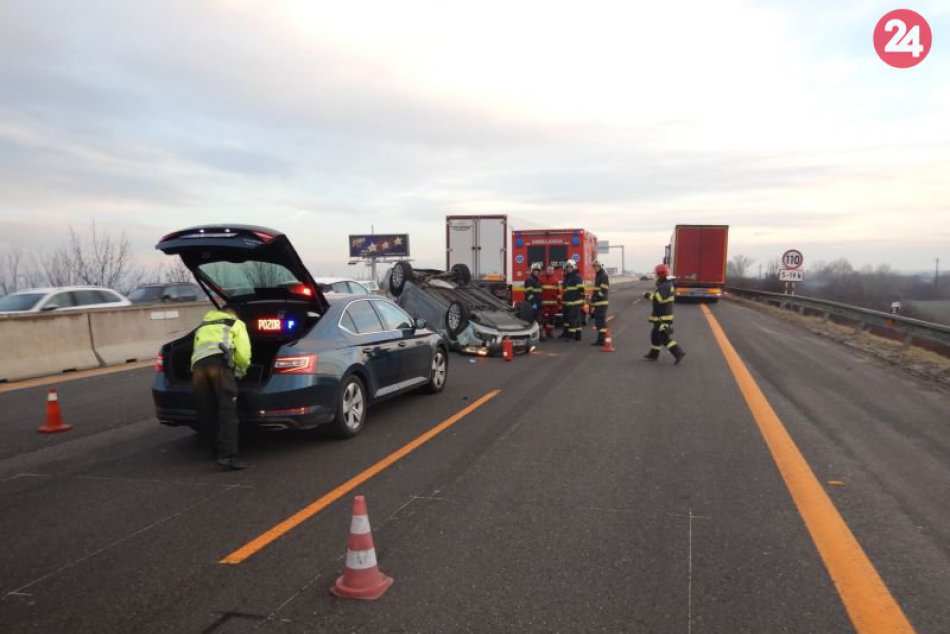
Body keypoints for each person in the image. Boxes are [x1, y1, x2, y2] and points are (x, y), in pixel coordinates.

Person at [191, 305, 252, 469]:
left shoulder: (204, 325)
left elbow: (195, 349)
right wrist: (240, 371)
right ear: (233, 313)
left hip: (198, 368)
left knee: (207, 410)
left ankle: (215, 450)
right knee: (227, 411)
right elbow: (244, 353)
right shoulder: (235, 323)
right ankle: (228, 456)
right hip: (220, 366)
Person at [643, 264, 686, 364]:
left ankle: (678, 352)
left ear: (661, 274)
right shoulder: (664, 284)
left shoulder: (665, 285)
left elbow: (659, 299)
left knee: (663, 337)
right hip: (660, 317)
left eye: (657, 275)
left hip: (664, 317)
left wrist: (647, 295)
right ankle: (654, 354)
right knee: (655, 334)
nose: (656, 277)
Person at [560, 260, 584, 341]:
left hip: (575, 302)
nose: (569, 269)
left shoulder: (576, 277)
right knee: (576, 320)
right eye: (568, 268)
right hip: (570, 302)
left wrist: (577, 299)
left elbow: (581, 289)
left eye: (570, 267)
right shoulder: (569, 277)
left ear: (574, 267)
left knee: (572, 319)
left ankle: (571, 336)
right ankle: (578, 336)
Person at [539, 263, 562, 340]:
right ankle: (541, 334)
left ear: (553, 271)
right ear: (546, 270)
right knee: (542, 319)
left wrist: (559, 303)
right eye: (549, 270)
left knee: (551, 319)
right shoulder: (541, 279)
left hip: (553, 304)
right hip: (543, 303)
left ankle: (549, 333)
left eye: (552, 270)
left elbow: (559, 293)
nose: (550, 271)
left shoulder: (556, 280)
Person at [590, 260, 610, 346]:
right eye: (594, 266)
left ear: (600, 267)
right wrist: (591, 299)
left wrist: (595, 299)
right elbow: (595, 290)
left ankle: (601, 340)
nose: (595, 268)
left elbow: (603, 290)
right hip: (598, 303)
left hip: (602, 303)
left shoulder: (604, 276)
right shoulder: (598, 276)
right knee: (598, 322)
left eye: (597, 266)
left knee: (600, 321)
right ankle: (601, 339)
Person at [523, 262, 544, 338]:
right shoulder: (529, 280)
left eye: (537, 271)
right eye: (535, 271)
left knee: (538, 320)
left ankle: (539, 335)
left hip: (537, 303)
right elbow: (529, 294)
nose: (536, 272)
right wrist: (533, 303)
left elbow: (539, 293)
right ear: (532, 271)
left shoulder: (537, 280)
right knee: (534, 320)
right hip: (532, 304)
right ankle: (535, 336)